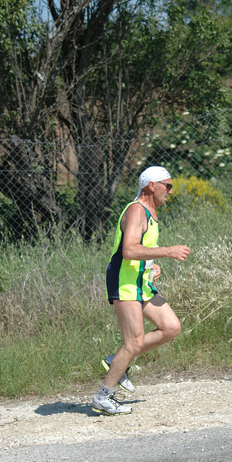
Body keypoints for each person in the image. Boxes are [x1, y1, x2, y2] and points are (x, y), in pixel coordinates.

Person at [91, 166, 191, 415]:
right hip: (124, 282)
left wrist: (152, 265)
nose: (170, 190)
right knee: (133, 342)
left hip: (140, 281)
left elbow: (140, 252)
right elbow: (129, 250)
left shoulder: (150, 213)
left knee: (171, 328)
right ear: (152, 186)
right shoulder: (137, 210)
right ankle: (103, 396)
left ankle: (116, 360)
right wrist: (167, 252)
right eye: (168, 186)